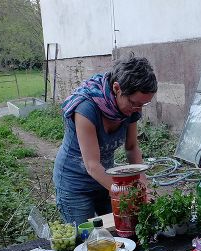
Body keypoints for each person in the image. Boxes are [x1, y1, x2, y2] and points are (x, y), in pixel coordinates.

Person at [53, 54, 157, 226]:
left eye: (143, 105)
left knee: (120, 231)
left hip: (106, 179)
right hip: (75, 186)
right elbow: (92, 165)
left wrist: (142, 184)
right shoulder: (86, 108)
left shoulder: (130, 109)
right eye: (134, 103)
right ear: (117, 88)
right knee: (87, 240)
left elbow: (131, 148)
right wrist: (127, 194)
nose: (138, 109)